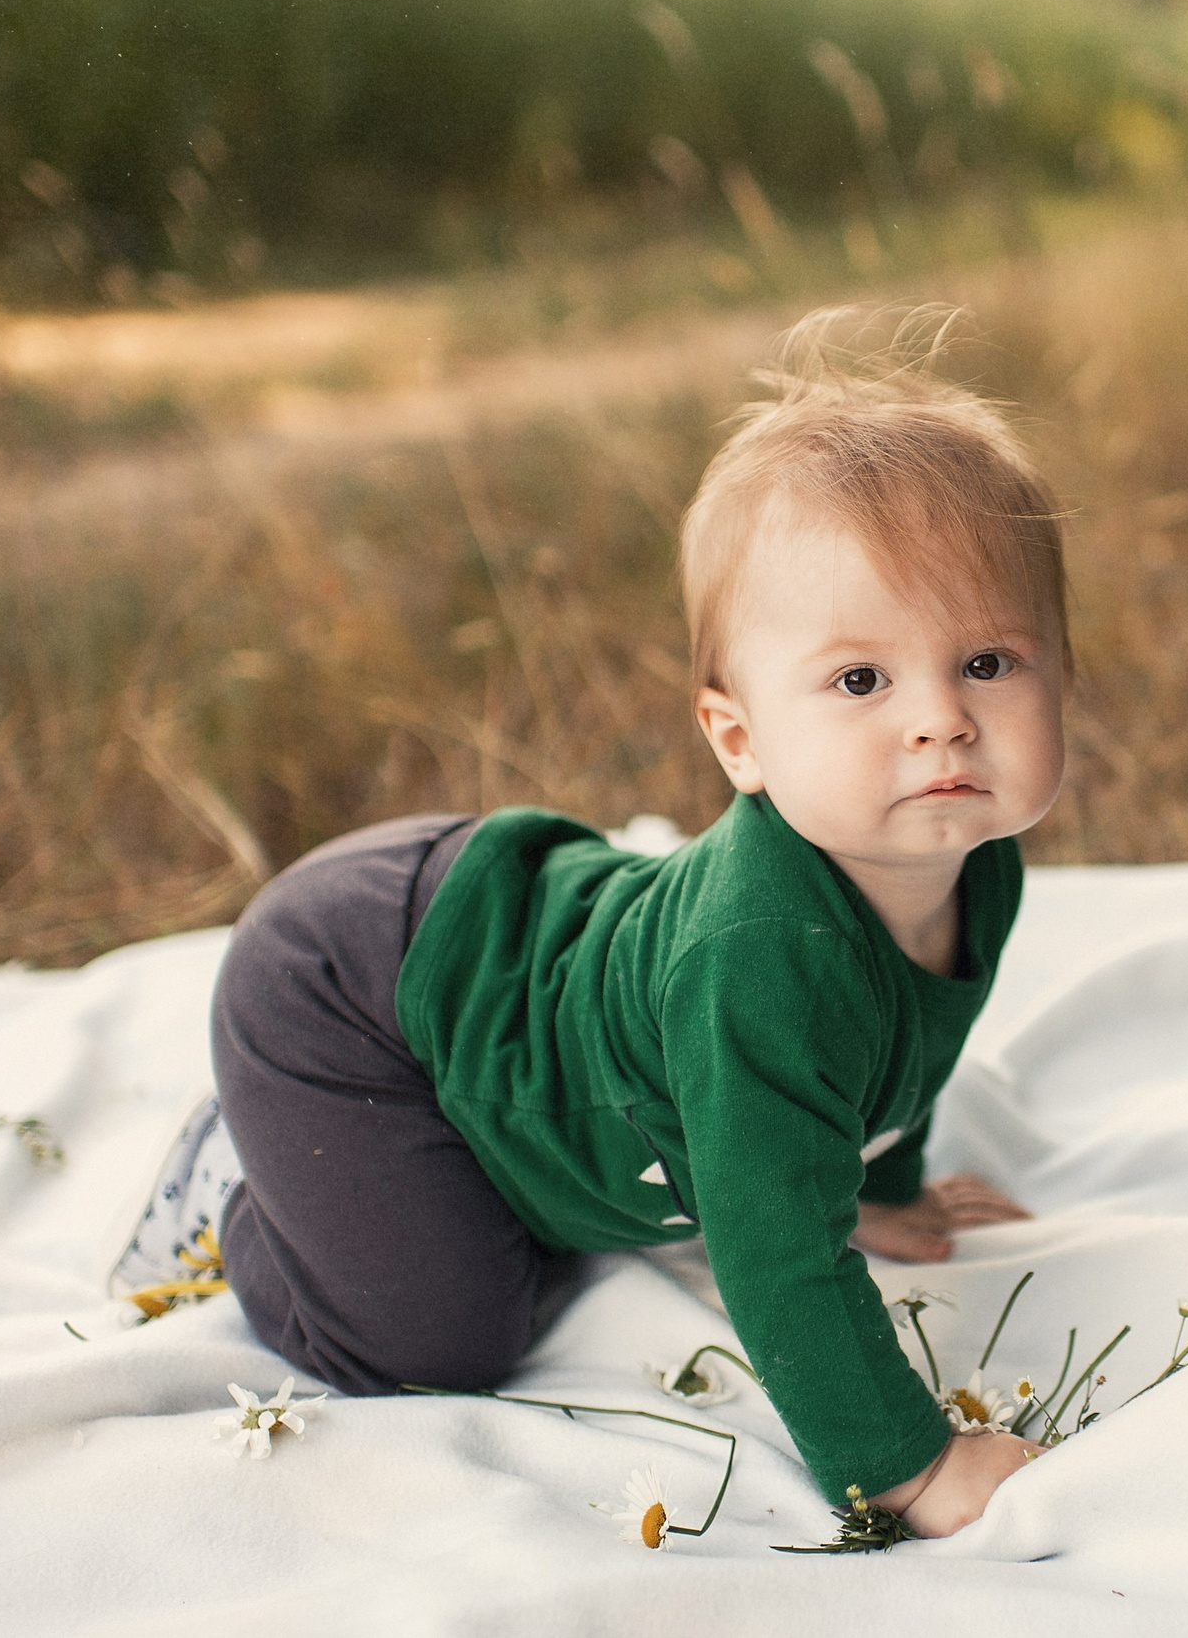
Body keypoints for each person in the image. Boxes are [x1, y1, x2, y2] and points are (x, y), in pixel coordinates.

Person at [131, 308, 1068, 1537]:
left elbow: (903, 1039)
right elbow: (776, 1256)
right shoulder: (760, 957)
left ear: (1063, 670)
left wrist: (875, 1179)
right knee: (440, 1331)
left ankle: (395, 1167)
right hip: (353, 991)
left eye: (988, 662)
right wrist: (909, 1462)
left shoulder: (972, 862)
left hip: (487, 920)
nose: (940, 718)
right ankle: (252, 1182)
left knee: (559, 1193)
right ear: (739, 740)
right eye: (859, 679)